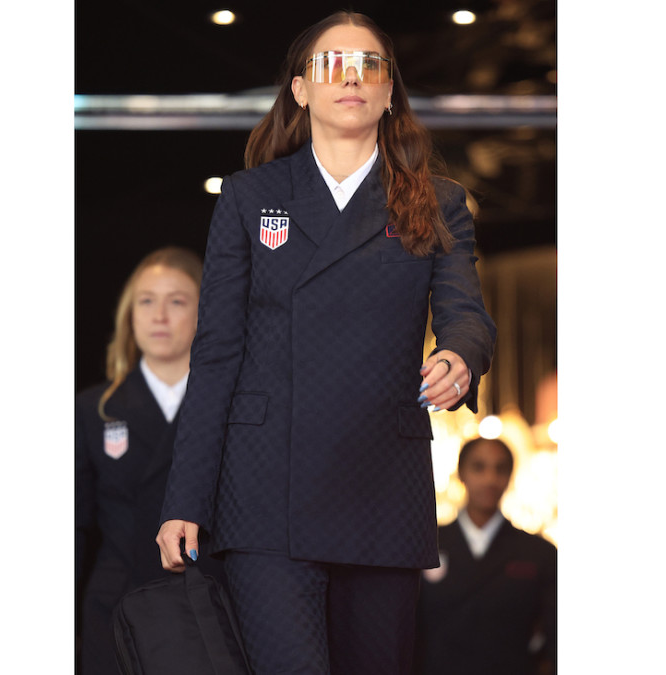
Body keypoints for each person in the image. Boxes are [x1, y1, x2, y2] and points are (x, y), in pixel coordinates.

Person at [154, 11, 497, 675]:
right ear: (300, 89)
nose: (352, 78)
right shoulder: (251, 199)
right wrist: (184, 502)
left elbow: (467, 315)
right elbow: (217, 354)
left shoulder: (435, 201)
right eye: (331, 64)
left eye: (369, 65)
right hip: (263, 492)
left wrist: (459, 354)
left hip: (382, 490)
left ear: (390, 92)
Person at [75, 246, 224, 675]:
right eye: (146, 300)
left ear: (205, 310)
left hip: (209, 608)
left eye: (176, 301)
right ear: (129, 313)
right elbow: (75, 529)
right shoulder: (91, 410)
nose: (159, 315)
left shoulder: (236, 408)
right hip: (118, 612)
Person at [415, 438, 557, 675]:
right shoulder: (426, 545)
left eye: (500, 469)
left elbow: (555, 637)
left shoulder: (539, 553)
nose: (490, 479)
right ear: (462, 473)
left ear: (510, 476)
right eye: (479, 467)